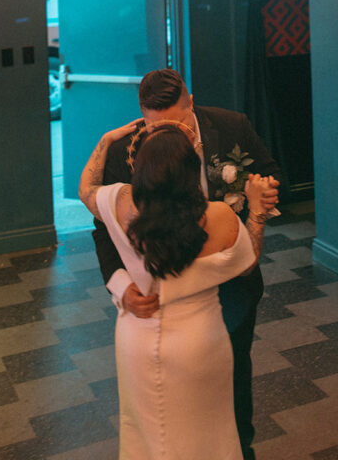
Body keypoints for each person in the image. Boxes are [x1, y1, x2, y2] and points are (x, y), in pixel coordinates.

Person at [83, 69, 281, 460]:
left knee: (234, 377)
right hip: (154, 299)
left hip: (230, 289)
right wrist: (121, 285)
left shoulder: (231, 125)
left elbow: (270, 171)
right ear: (141, 113)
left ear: (190, 103)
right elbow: (102, 231)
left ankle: (241, 449)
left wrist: (265, 189)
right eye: (155, 125)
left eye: (174, 122)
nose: (165, 133)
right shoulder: (129, 147)